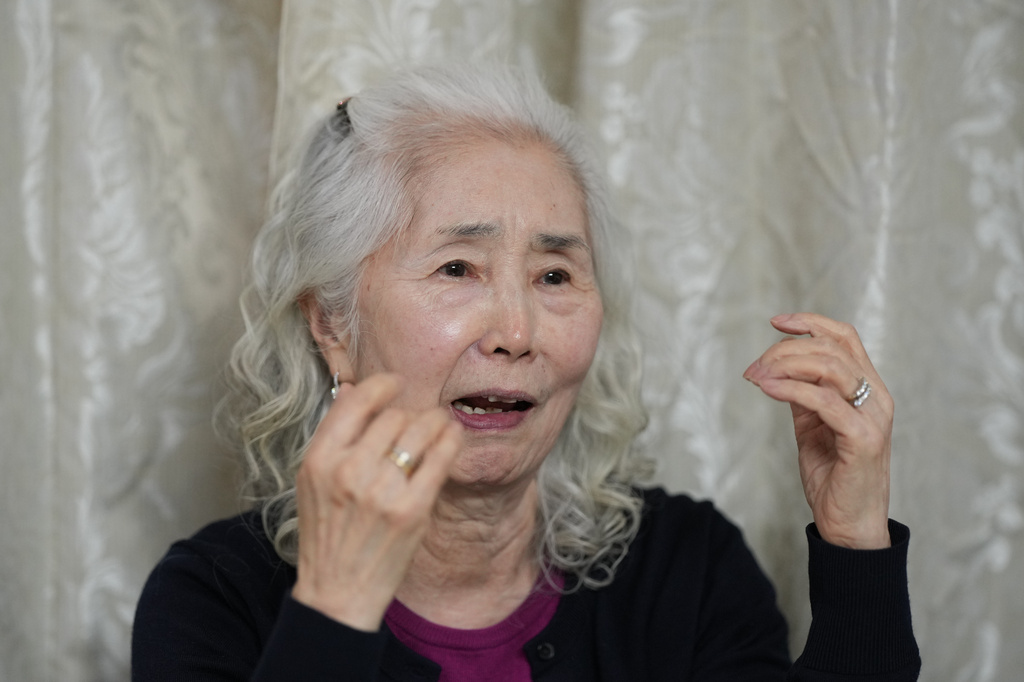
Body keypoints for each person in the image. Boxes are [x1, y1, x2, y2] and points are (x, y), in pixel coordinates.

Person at [132, 64, 920, 681]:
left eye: (553, 277)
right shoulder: (214, 598)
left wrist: (855, 544)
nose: (516, 333)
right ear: (332, 324)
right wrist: (334, 608)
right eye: (456, 268)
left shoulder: (689, 569)